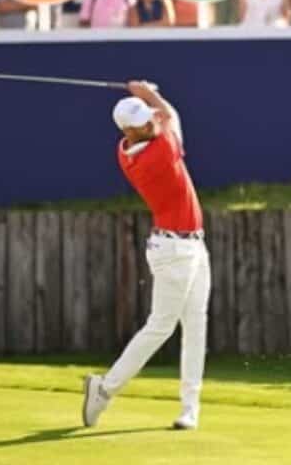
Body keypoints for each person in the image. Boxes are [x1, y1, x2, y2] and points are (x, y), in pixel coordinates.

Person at [83, 81, 210, 432]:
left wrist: (144, 100)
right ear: (130, 131)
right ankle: (104, 389)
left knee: (196, 325)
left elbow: (161, 116)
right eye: (142, 121)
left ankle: (190, 407)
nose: (150, 121)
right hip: (174, 250)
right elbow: (170, 115)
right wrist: (148, 93)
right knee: (161, 327)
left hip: (193, 245)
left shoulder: (128, 148)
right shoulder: (158, 152)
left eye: (147, 117)